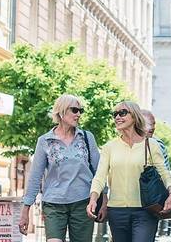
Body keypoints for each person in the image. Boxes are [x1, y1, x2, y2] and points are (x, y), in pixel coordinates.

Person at [18, 94, 105, 242]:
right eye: (74, 110)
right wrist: (25, 210)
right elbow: (35, 177)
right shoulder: (45, 141)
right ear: (61, 111)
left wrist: (104, 202)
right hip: (54, 204)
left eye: (80, 111)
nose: (78, 114)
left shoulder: (86, 137)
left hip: (83, 202)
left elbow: (100, 173)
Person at [87, 101, 171, 242]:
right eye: (115, 114)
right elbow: (99, 176)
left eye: (122, 113)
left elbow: (164, 173)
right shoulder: (110, 147)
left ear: (134, 116)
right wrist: (93, 199)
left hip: (146, 210)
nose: (117, 117)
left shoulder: (151, 145)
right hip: (116, 212)